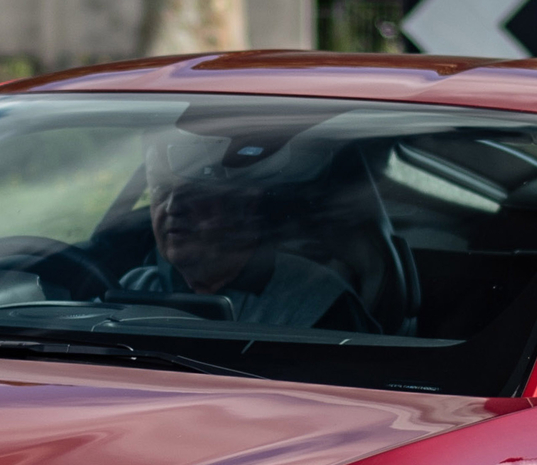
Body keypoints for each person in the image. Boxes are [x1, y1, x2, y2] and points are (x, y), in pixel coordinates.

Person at [118, 131, 364, 328]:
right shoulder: (134, 288)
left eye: (193, 191)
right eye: (160, 190)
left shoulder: (316, 299)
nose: (172, 207)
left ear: (245, 202)